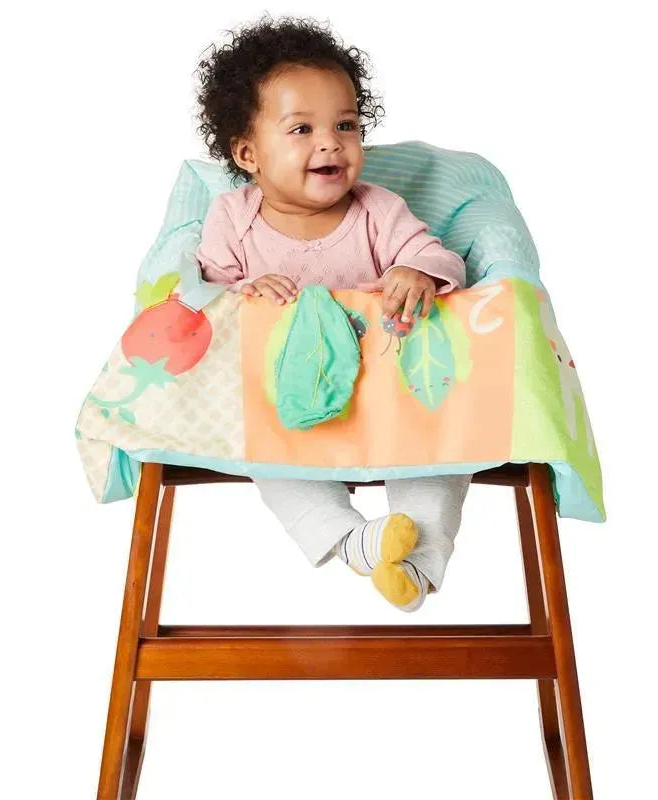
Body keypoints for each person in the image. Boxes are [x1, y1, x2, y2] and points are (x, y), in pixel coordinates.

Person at [193, 14, 471, 611]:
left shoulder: (378, 211)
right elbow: (205, 299)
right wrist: (246, 289)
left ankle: (418, 562)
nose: (331, 142)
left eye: (346, 125)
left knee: (446, 446)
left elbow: (440, 256)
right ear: (248, 152)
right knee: (265, 458)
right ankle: (352, 541)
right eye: (302, 128)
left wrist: (416, 271)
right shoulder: (232, 219)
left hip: (390, 396)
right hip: (286, 404)